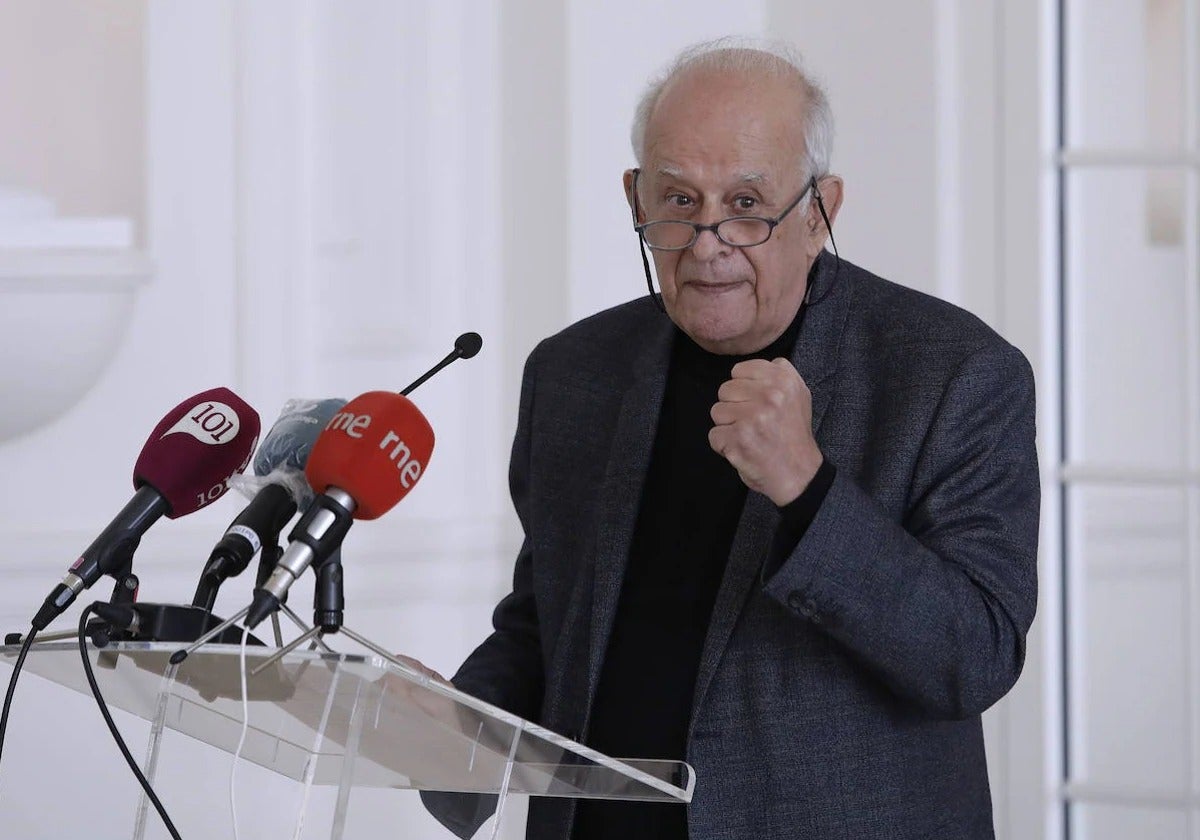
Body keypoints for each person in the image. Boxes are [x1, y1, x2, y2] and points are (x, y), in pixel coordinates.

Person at [434, 37, 1039, 840]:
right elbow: (550, 624)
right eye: (678, 201)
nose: (709, 240)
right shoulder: (575, 373)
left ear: (820, 211)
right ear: (634, 200)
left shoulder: (954, 374)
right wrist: (448, 722)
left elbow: (975, 656)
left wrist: (810, 490)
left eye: (747, 205)